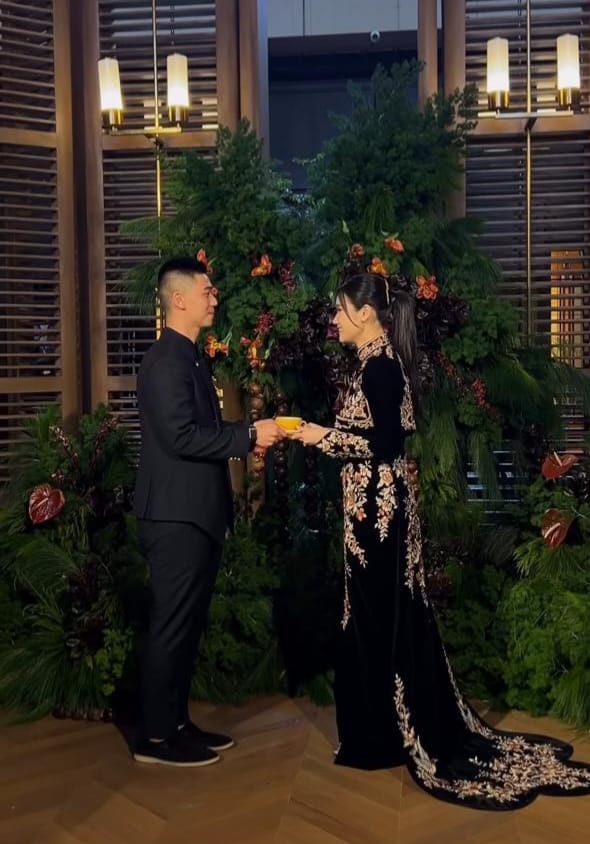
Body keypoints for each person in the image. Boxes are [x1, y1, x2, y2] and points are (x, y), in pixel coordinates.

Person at [292, 271, 590, 809]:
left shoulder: (381, 367)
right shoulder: (374, 363)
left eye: (339, 309)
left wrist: (319, 436)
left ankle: (378, 738)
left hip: (378, 516)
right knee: (373, 614)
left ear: (364, 313)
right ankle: (376, 735)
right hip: (372, 513)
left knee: (377, 615)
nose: (334, 319)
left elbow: (385, 445)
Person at [133, 256, 284, 767]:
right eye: (207, 290)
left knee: (187, 625)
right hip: (174, 516)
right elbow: (181, 437)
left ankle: (175, 723)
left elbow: (201, 434)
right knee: (172, 625)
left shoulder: (190, 357)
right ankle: (155, 739)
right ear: (179, 299)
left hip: (193, 513)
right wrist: (248, 435)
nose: (215, 296)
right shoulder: (165, 362)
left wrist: (247, 438)